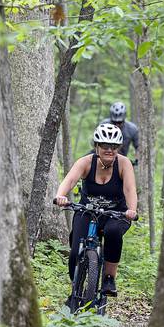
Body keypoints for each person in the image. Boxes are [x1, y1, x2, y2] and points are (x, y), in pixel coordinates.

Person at [54, 123, 138, 297]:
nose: (110, 150)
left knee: (113, 232)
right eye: (105, 146)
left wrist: (132, 209)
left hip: (116, 213)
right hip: (88, 210)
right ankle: (76, 286)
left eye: (114, 147)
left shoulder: (124, 164)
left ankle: (109, 278)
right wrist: (61, 195)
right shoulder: (86, 162)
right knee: (76, 250)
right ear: (97, 146)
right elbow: (69, 181)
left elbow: (130, 190)